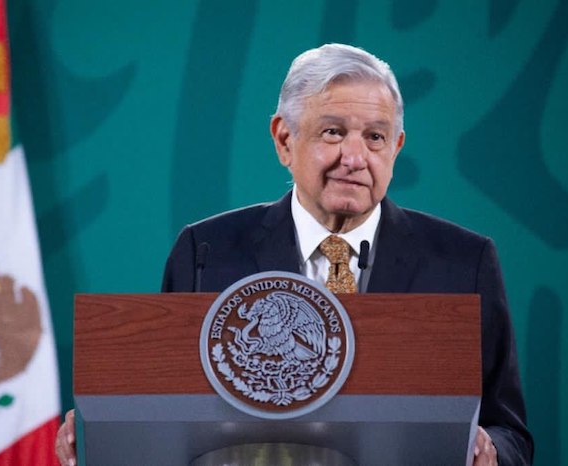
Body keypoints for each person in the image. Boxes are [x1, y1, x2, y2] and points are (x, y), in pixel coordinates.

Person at [56, 43, 533, 466]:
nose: (355, 156)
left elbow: (512, 435)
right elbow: (166, 408)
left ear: (396, 147)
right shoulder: (206, 251)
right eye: (332, 132)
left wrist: (489, 450)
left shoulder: (463, 262)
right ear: (285, 139)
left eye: (375, 136)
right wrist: (103, 427)